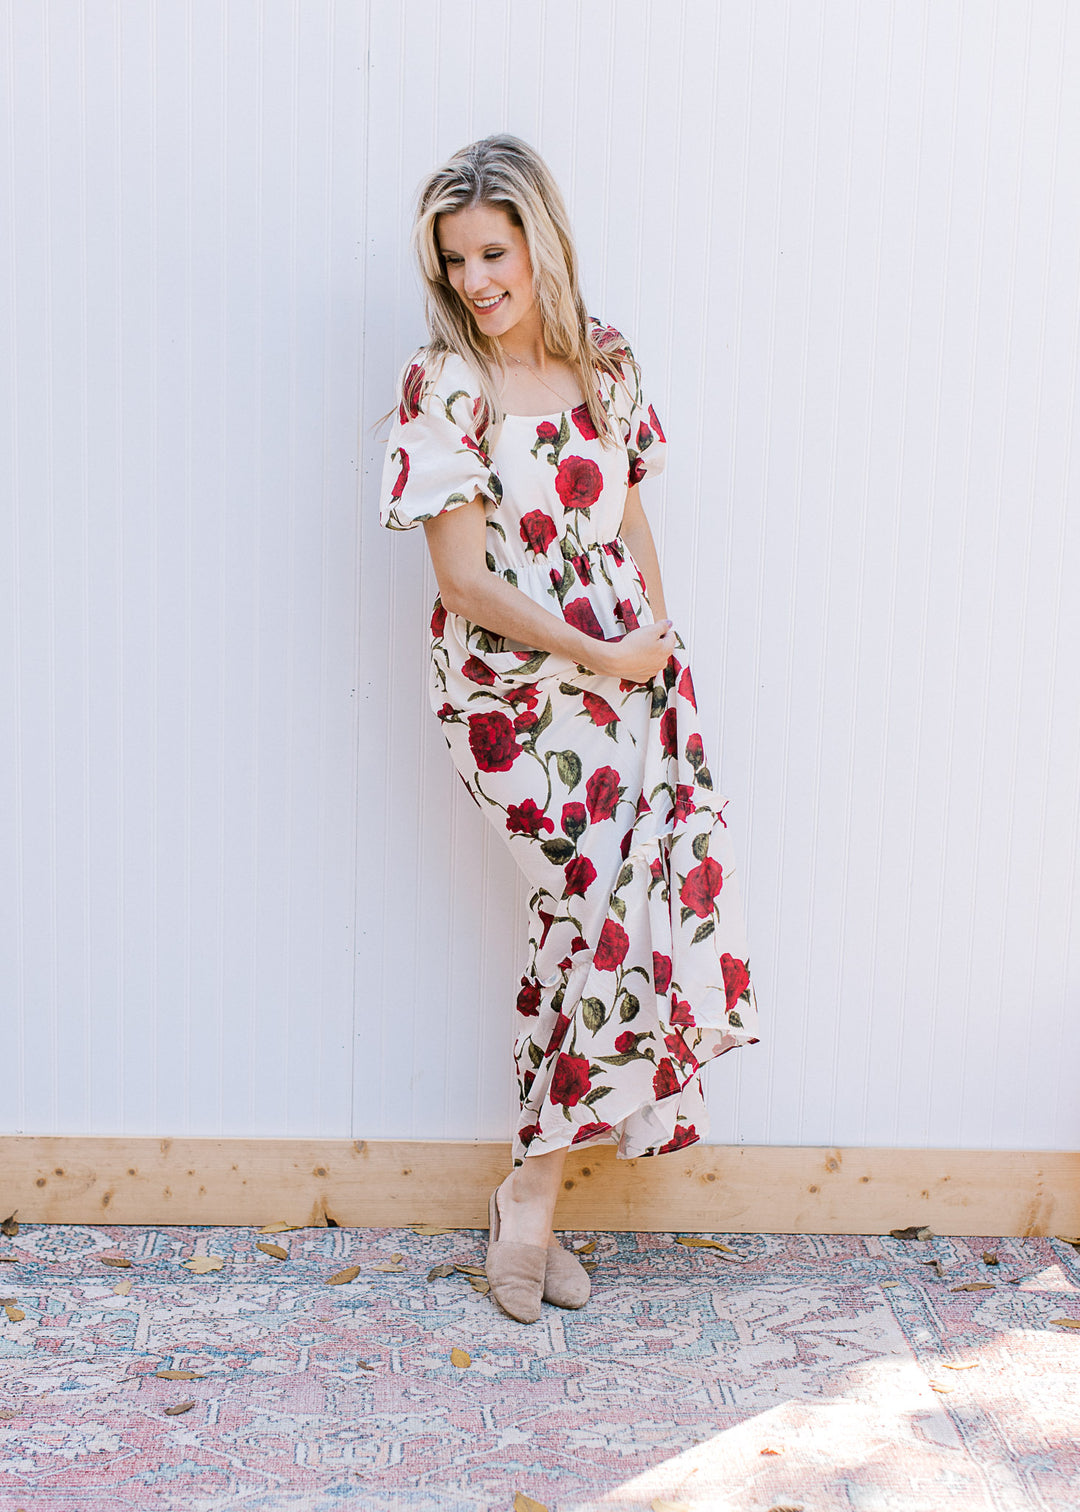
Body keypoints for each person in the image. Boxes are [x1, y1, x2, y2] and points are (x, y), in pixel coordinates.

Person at [379, 135, 760, 1324]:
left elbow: (631, 523)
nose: (478, 281)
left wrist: (657, 644)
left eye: (494, 252)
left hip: (625, 671)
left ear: (542, 240)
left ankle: (529, 1197)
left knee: (600, 916)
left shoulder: (607, 364)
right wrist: (597, 653)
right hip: (514, 693)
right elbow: (464, 585)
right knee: (588, 896)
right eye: (458, 262)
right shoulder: (445, 384)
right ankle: (533, 1195)